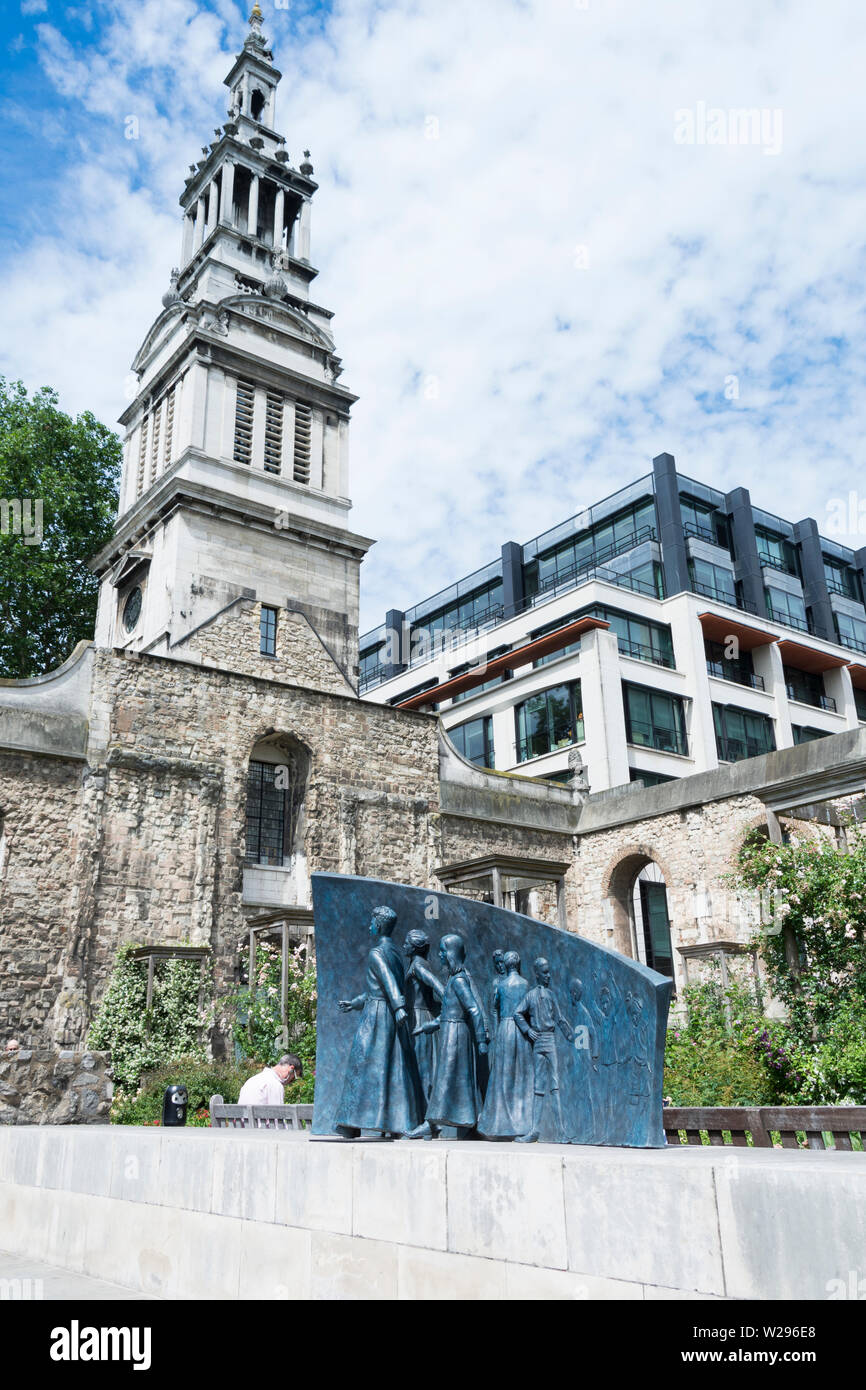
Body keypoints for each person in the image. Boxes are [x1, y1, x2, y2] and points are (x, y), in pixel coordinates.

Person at [334, 905, 425, 1138]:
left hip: (377, 1016)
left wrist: (398, 1007)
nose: (369, 925)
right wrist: (355, 1002)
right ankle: (390, 1121)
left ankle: (350, 1123)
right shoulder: (395, 952)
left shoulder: (378, 953)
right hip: (387, 1012)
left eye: (372, 921)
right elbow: (380, 988)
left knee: (361, 1065)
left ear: (380, 924)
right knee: (391, 1068)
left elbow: (388, 984)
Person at [407, 933, 489, 1138]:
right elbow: (446, 1014)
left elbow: (474, 1010)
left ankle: (432, 1123)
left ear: (451, 954)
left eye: (443, 952)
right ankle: (463, 1123)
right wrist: (426, 1027)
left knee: (447, 1079)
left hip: (457, 1036)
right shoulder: (454, 979)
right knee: (452, 1079)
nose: (440, 955)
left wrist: (480, 1040)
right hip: (451, 1032)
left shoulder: (459, 981)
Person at [514, 957, 573, 1143]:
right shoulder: (530, 995)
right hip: (538, 1042)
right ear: (537, 974)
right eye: (545, 972)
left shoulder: (551, 995)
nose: (548, 976)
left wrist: (572, 1037)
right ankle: (534, 1131)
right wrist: (527, 1030)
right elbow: (517, 1013)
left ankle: (561, 1131)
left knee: (555, 1086)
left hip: (550, 1039)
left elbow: (560, 1018)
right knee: (538, 1088)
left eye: (549, 972)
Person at [478, 950, 533, 1139]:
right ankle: (521, 1121)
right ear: (517, 964)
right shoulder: (525, 984)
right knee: (520, 1075)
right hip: (520, 1029)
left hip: (504, 1028)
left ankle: (499, 1121)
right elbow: (528, 1010)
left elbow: (494, 1008)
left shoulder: (501, 985)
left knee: (502, 1075)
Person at [403, 928, 444, 1104]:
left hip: (419, 1019)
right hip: (420, 1016)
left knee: (423, 1069)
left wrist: (445, 1008)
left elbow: (439, 988)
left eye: (406, 943)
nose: (403, 946)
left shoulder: (418, 966)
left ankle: (429, 1118)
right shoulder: (419, 963)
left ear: (414, 947)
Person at [237, 1054, 302, 1105]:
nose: (290, 1082)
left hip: (243, 1122)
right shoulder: (275, 1085)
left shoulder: (251, 1080)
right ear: (291, 1069)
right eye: (294, 1077)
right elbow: (278, 1116)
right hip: (259, 1122)